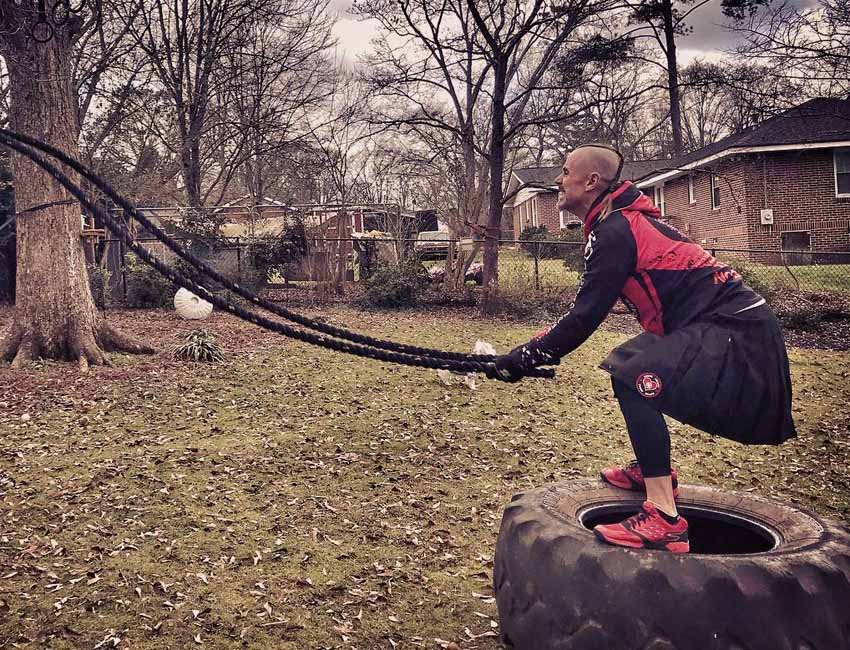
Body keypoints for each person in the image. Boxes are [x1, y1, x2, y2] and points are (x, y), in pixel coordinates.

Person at [494, 143, 796, 554]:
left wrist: (529, 355)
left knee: (636, 379)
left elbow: (585, 316)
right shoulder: (613, 224)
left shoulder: (616, 229)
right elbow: (584, 312)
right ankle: (654, 472)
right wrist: (531, 352)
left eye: (565, 172)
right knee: (627, 362)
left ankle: (664, 518)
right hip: (713, 323)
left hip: (736, 328)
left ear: (592, 181)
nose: (558, 181)